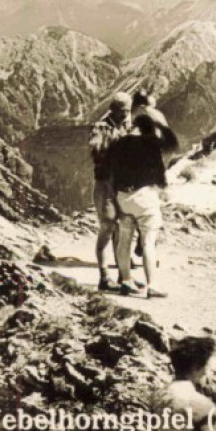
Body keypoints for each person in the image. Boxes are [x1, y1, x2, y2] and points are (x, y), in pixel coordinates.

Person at [111, 112, 173, 299]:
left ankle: (126, 281)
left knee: (124, 239)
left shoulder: (120, 142)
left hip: (122, 196)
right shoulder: (152, 143)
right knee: (148, 241)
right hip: (144, 197)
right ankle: (151, 285)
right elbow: (160, 173)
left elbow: (113, 169)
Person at [88, 93, 135, 291]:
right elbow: (94, 150)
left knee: (123, 228)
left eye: (128, 110)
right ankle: (104, 275)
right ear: (114, 110)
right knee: (107, 226)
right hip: (105, 184)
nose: (126, 114)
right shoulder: (101, 127)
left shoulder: (127, 124)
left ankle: (124, 276)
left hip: (122, 184)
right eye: (123, 111)